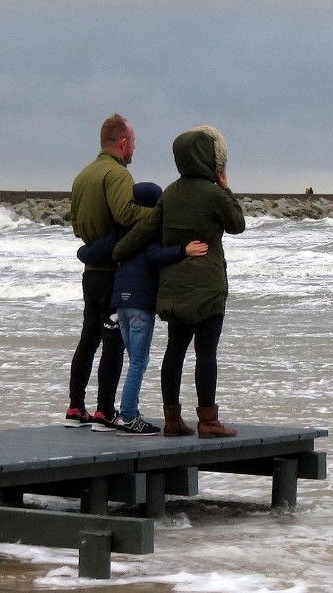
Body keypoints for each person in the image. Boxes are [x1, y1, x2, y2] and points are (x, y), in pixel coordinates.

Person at [113, 125, 245, 438]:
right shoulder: (213, 194)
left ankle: (172, 419)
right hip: (209, 288)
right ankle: (208, 421)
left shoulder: (170, 193)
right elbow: (237, 224)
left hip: (174, 289)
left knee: (175, 351)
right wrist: (226, 188)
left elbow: (144, 232)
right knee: (206, 352)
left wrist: (119, 251)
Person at [77, 182, 209, 436]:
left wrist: (82, 250)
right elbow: (154, 256)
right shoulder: (152, 230)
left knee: (133, 360)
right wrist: (184, 250)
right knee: (139, 361)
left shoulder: (122, 231)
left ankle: (130, 412)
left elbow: (96, 252)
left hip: (119, 302)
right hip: (139, 303)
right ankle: (128, 417)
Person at [65, 113, 154, 431]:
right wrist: (161, 213)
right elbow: (126, 213)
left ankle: (75, 407)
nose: (134, 150)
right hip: (113, 272)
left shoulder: (82, 175)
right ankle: (104, 411)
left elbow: (75, 225)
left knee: (88, 338)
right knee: (113, 340)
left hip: (91, 271)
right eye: (134, 143)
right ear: (123, 142)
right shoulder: (117, 174)